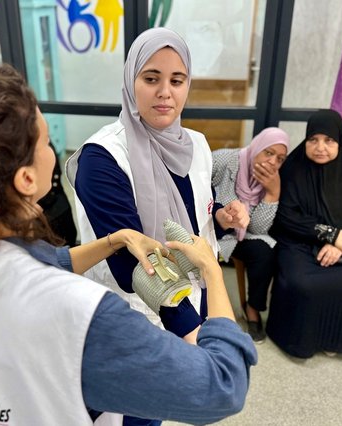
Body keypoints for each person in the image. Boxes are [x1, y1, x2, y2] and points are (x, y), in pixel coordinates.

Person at [0, 62, 257, 425]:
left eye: (178, 79)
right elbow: (222, 387)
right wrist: (210, 269)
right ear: (26, 180)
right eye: (46, 140)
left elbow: (45, 262)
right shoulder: (80, 313)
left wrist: (113, 239)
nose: (165, 92)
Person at [66, 28, 250, 426]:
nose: (165, 92)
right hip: (131, 314)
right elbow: (130, 266)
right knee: (126, 414)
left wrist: (219, 217)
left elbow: (193, 214)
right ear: (131, 81)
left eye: (177, 80)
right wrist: (195, 340)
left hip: (187, 300)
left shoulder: (196, 144)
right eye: (151, 78)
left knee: (155, 414)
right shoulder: (102, 159)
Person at [266, 109, 342, 358]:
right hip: (300, 239)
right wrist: (330, 234)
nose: (320, 147)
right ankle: (304, 342)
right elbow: (286, 216)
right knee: (303, 282)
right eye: (313, 140)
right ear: (306, 141)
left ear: (340, 141)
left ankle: (340, 339)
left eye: (329, 140)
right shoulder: (293, 168)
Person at [212, 128, 289, 343]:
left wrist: (272, 193)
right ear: (257, 146)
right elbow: (193, 188)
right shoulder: (224, 160)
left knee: (264, 251)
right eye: (268, 153)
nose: (273, 162)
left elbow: (258, 229)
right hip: (208, 227)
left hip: (236, 236)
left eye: (280, 159)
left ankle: (252, 309)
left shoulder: (271, 180)